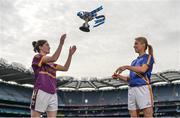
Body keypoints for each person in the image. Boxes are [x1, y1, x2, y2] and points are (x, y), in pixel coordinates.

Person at [30, 34, 76, 117]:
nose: (49, 47)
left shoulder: (52, 64)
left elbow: (65, 68)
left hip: (53, 93)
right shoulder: (37, 57)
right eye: (47, 45)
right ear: (40, 47)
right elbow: (54, 58)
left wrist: (70, 55)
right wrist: (61, 44)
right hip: (41, 91)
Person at [112, 37, 154, 117]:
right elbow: (130, 79)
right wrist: (118, 76)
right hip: (131, 89)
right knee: (133, 115)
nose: (134, 46)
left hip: (143, 88)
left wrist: (127, 67)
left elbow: (143, 69)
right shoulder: (134, 61)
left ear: (143, 45)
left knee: (148, 115)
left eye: (136, 43)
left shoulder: (148, 57)